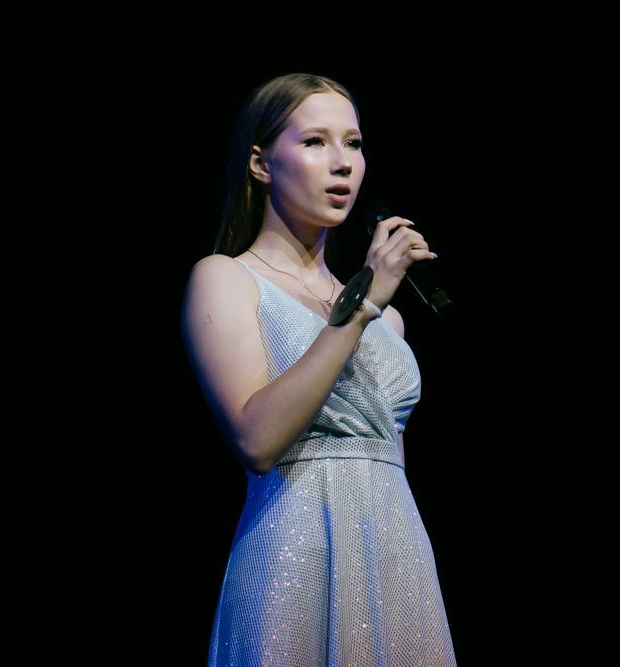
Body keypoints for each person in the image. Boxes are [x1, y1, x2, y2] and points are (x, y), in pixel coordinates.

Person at [181, 73, 456, 665]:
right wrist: (361, 308)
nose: (342, 163)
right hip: (292, 551)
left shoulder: (388, 320)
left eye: (353, 143)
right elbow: (257, 440)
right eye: (314, 142)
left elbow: (389, 459)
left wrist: (368, 308)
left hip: (396, 555)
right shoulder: (227, 279)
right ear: (261, 164)